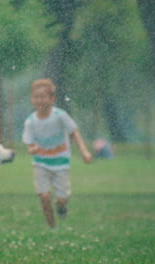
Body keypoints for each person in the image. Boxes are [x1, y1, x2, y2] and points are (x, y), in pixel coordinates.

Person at [22, 78, 92, 229]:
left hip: (61, 162)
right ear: (32, 99)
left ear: (52, 99)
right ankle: (52, 227)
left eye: (43, 97)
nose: (39, 100)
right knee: (44, 196)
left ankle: (62, 206)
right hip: (41, 163)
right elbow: (29, 143)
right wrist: (32, 149)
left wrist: (84, 151)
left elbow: (74, 133)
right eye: (36, 97)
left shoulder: (60, 115)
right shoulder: (31, 122)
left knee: (61, 199)